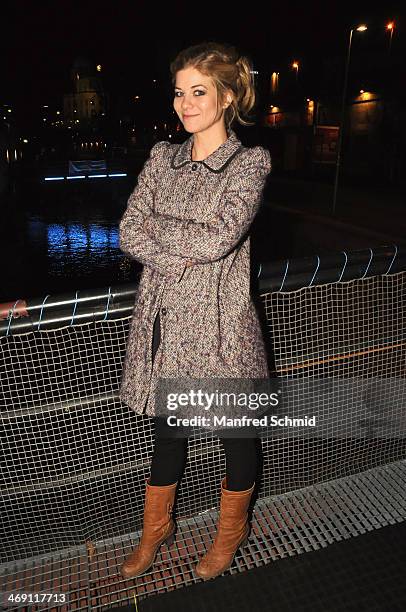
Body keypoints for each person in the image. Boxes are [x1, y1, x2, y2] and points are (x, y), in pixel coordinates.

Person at [118, 41, 272, 581]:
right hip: (163, 324)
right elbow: (128, 230)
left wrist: (165, 240)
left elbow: (221, 237)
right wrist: (183, 244)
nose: (185, 103)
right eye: (180, 92)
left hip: (223, 326)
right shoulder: (163, 157)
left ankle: (231, 533)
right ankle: (155, 530)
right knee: (169, 436)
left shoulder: (249, 163)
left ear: (227, 96)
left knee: (236, 438)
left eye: (199, 92)